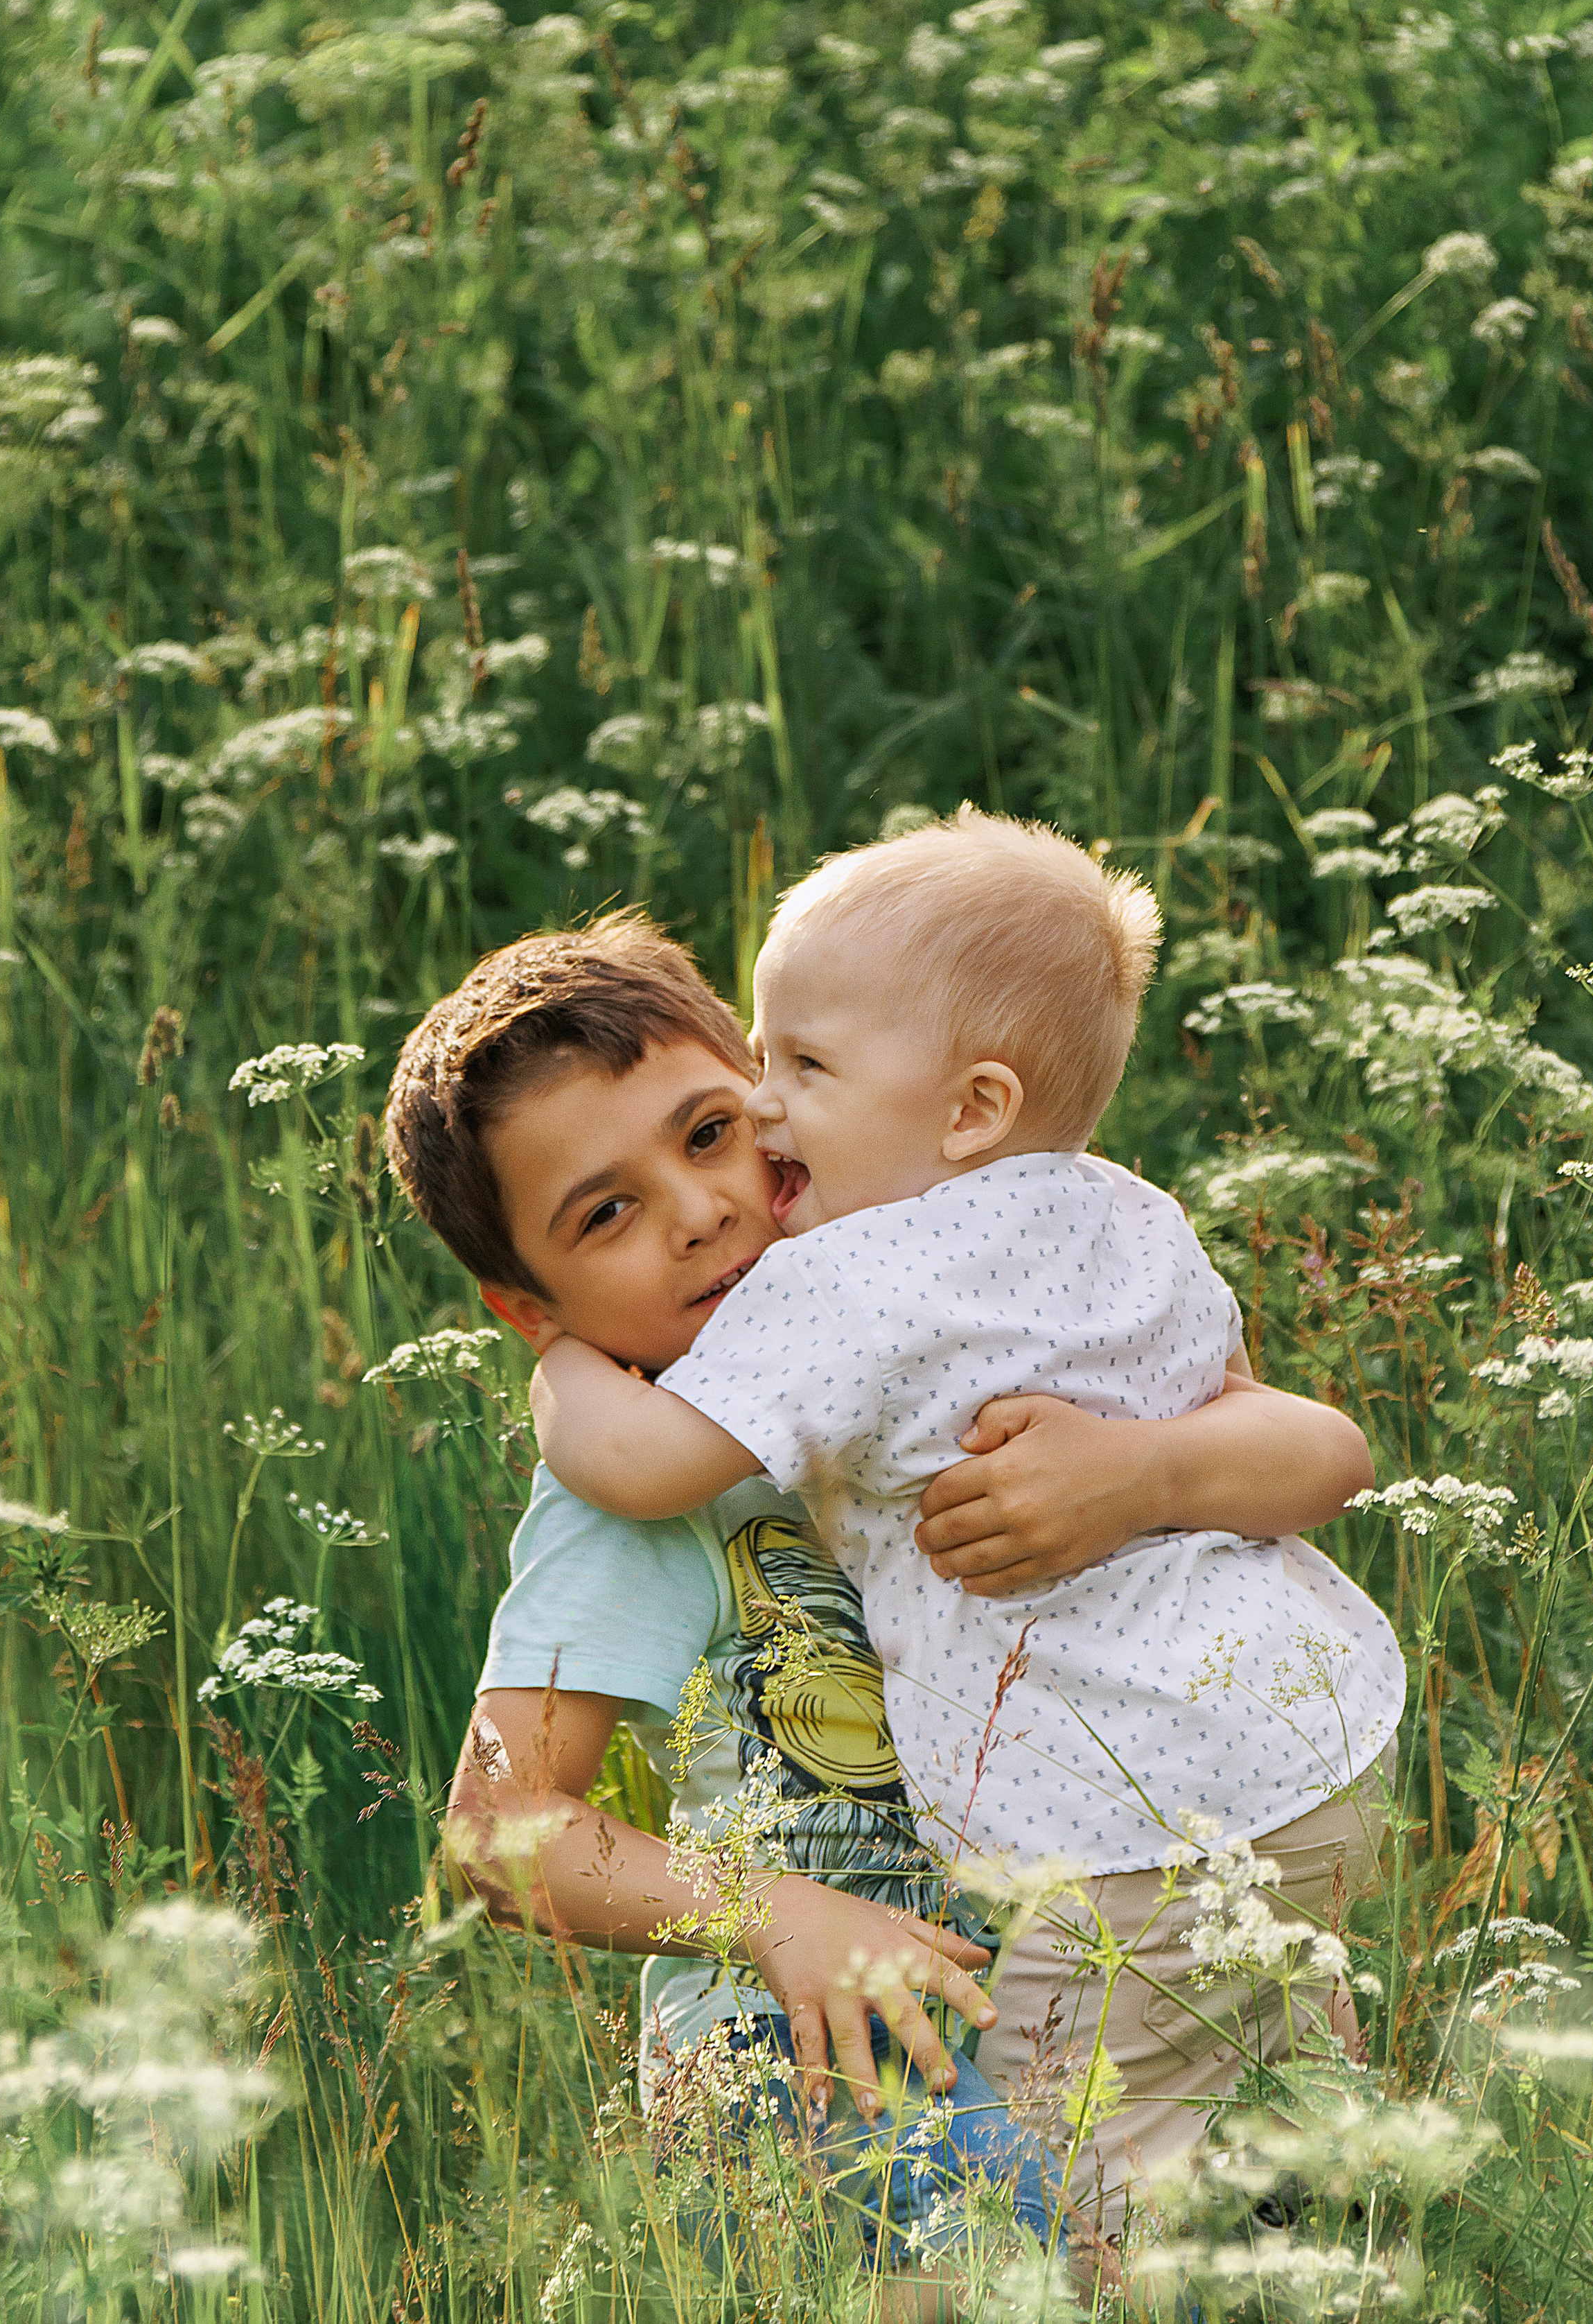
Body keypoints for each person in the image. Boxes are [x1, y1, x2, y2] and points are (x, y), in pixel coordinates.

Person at [383, 907, 1378, 2270]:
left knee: (1282, 2230)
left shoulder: (946, 1311)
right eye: (605, 1214)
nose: (703, 1213)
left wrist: (1138, 1474)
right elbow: (500, 1835)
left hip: (1113, 1965)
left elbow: (1310, 1451)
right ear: (530, 1303)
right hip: (823, 2048)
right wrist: (777, 1918)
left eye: (709, 1131)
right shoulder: (627, 1487)